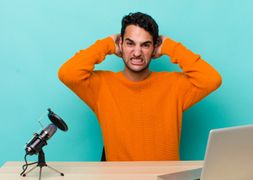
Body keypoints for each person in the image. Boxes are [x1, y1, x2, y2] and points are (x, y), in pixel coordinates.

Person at [58, 12, 222, 161]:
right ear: (120, 44)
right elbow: (68, 73)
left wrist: (170, 46)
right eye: (130, 44)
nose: (137, 53)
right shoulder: (101, 86)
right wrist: (107, 44)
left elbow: (211, 79)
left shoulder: (174, 85)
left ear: (154, 47)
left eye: (145, 45)